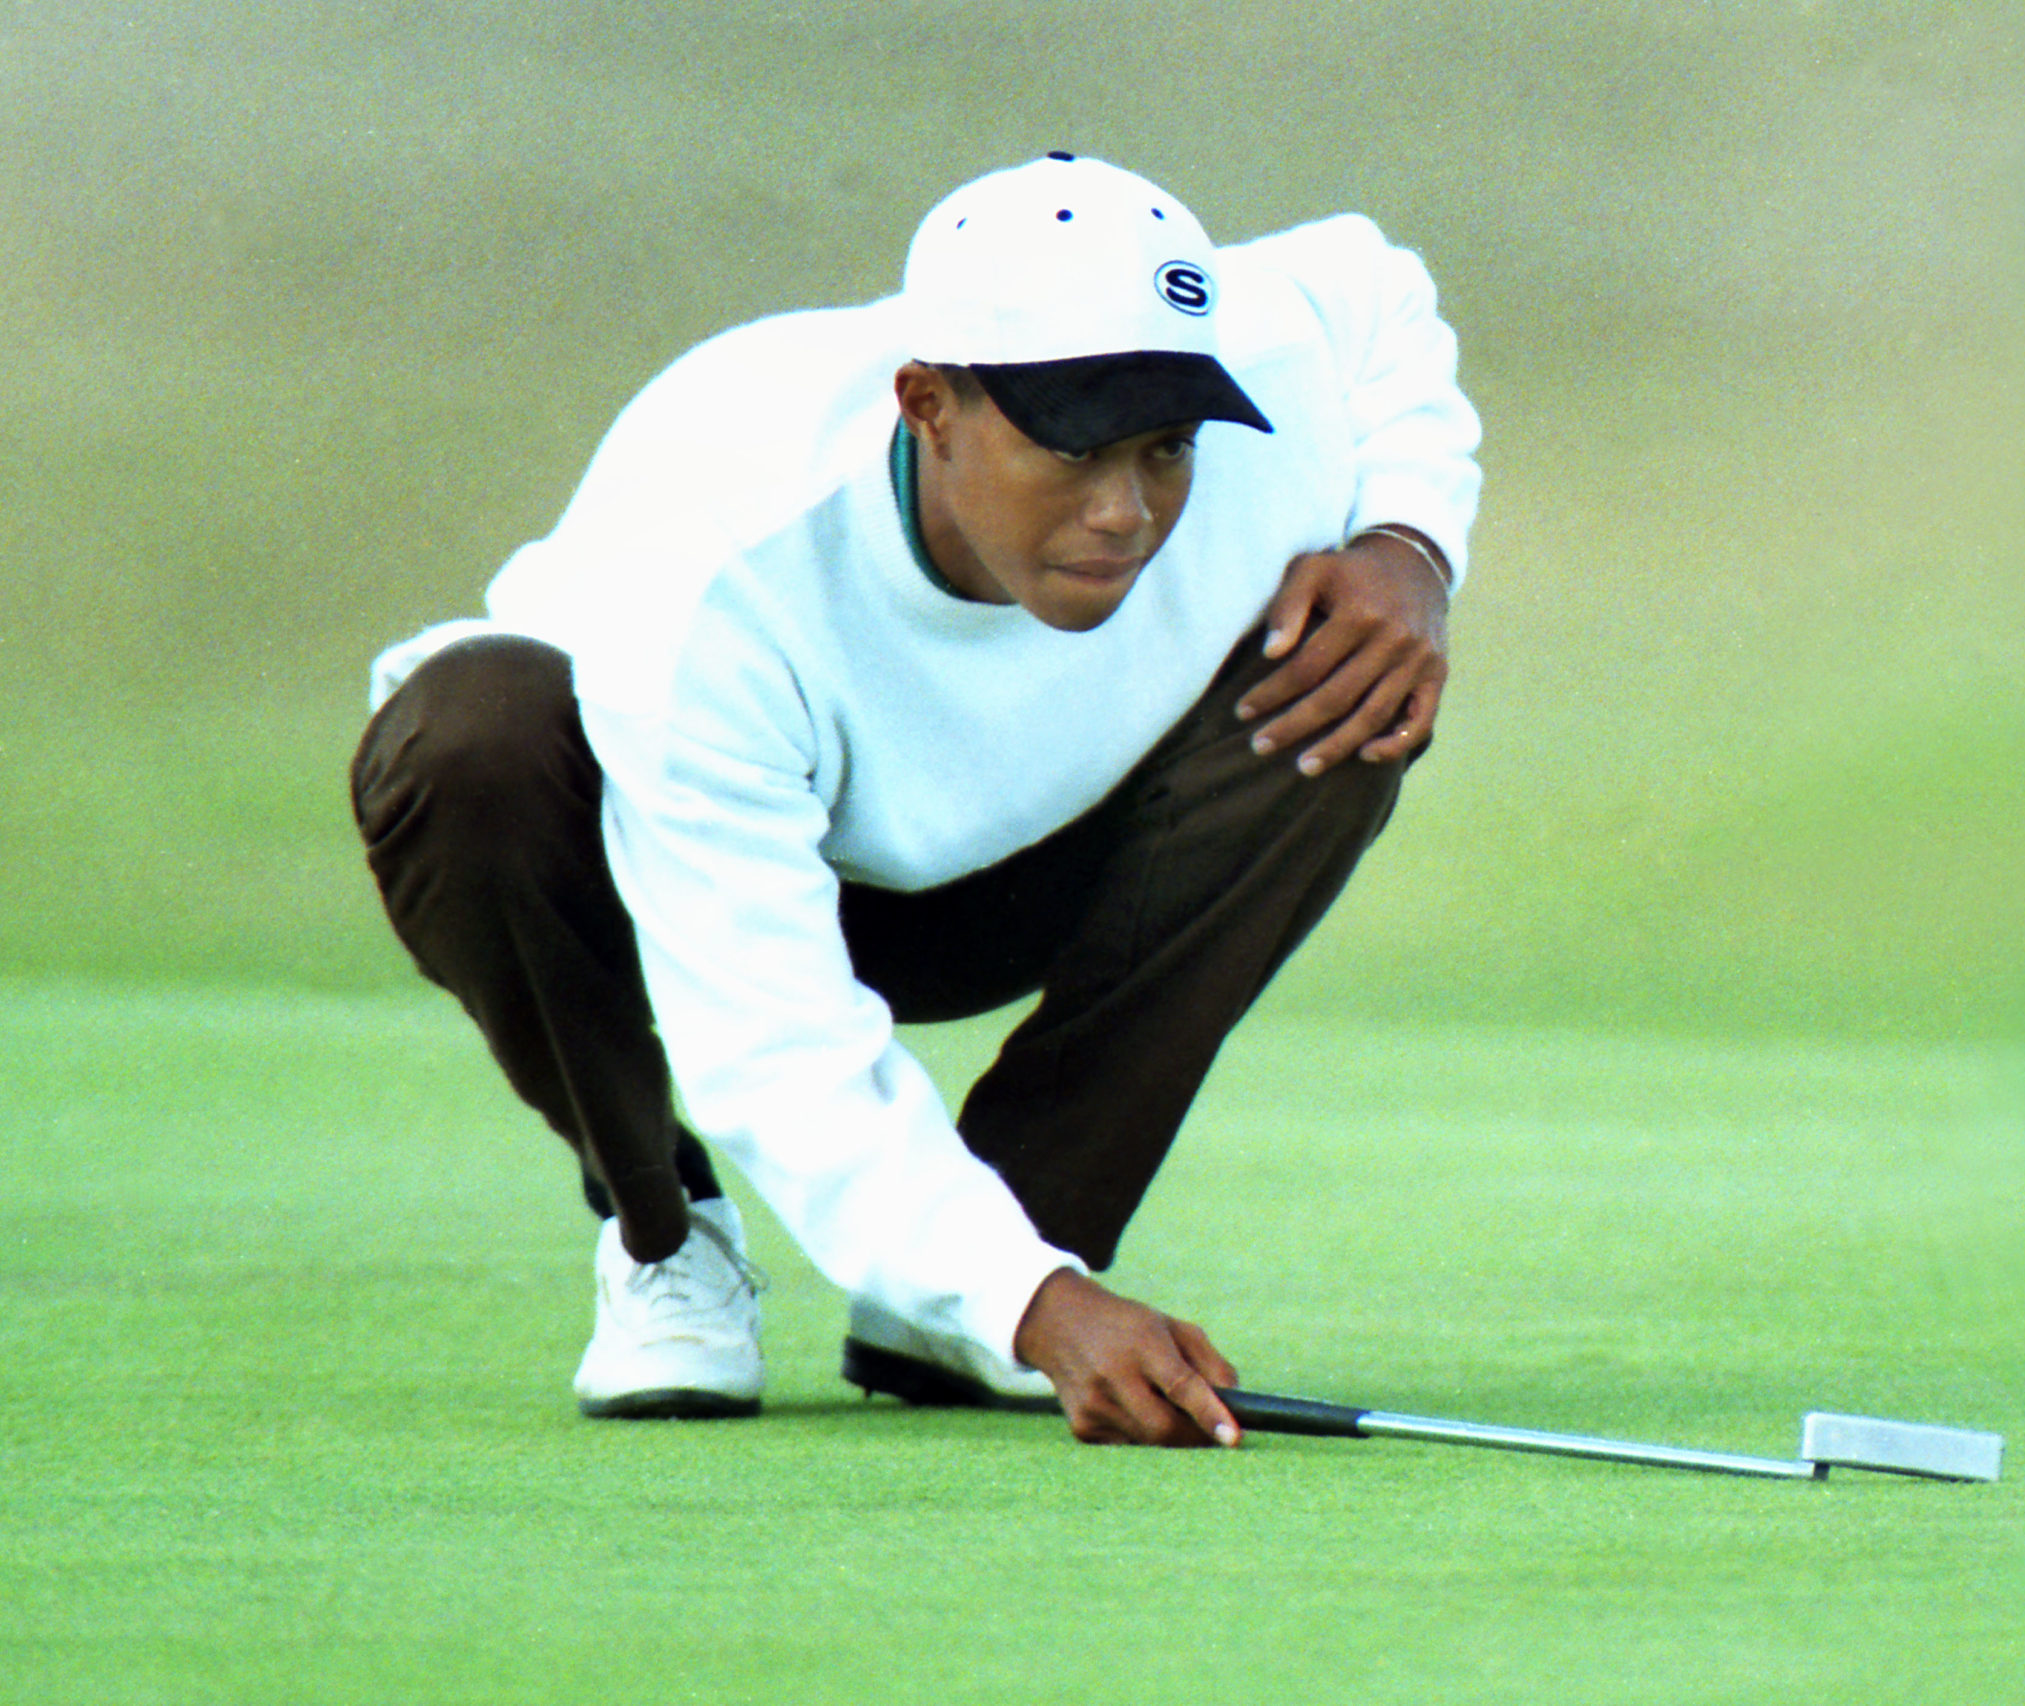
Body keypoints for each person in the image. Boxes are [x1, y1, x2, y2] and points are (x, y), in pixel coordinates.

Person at [349, 153, 1480, 1449]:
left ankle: (993, 1257)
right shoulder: (714, 559)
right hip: (653, 869)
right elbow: (768, 1028)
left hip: (1024, 869)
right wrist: (1043, 1309)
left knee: (1345, 703)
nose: (1127, 509)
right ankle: (667, 1235)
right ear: (928, 403)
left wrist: (1409, 545)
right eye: (1073, 445)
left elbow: (1377, 291)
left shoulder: (1268, 360)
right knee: (469, 737)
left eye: (1164, 447)